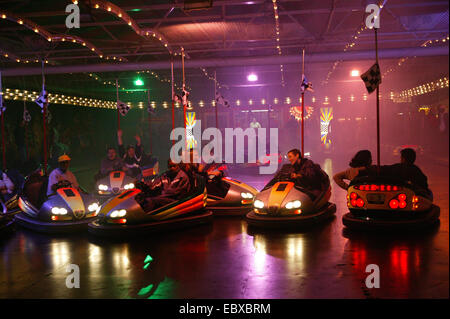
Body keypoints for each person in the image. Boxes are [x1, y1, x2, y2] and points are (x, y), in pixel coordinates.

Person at [263, 149, 330, 199]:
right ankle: (263, 192)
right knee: (276, 180)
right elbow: (283, 175)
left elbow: (310, 175)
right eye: (288, 157)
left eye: (290, 156)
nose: (289, 159)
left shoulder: (308, 163)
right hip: (299, 188)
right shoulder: (292, 167)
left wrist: (298, 175)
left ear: (297, 155)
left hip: (311, 188)